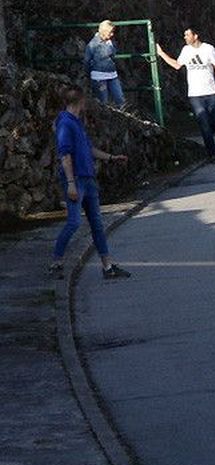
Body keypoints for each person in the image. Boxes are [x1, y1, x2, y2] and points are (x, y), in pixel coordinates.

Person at [48, 83, 131, 281]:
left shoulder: (76, 122)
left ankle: (108, 266)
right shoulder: (66, 124)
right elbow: (65, 155)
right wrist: (70, 183)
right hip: (76, 179)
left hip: (87, 178)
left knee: (97, 224)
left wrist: (111, 157)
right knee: (74, 222)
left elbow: (89, 149)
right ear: (80, 101)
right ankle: (56, 261)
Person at [156, 27, 215, 161]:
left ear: (195, 36)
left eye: (187, 35)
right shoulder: (186, 50)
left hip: (211, 91)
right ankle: (212, 153)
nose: (185, 37)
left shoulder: (208, 49)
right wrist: (162, 54)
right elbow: (177, 65)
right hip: (195, 94)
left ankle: (207, 137)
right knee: (203, 122)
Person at [83, 20, 126, 107]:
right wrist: (88, 74)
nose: (112, 34)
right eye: (110, 32)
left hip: (112, 74)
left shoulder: (110, 42)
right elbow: (87, 61)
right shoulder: (93, 45)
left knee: (120, 99)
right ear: (103, 32)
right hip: (99, 76)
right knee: (103, 102)